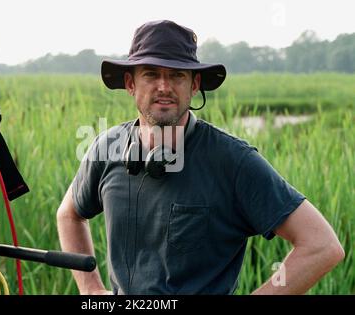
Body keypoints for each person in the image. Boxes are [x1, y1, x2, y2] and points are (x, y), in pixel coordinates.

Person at [56, 20, 344, 295]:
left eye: (177, 75)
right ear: (130, 84)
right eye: (152, 74)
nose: (164, 87)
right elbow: (69, 214)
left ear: (194, 86)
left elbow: (321, 245)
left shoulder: (232, 161)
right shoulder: (107, 149)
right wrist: (90, 288)